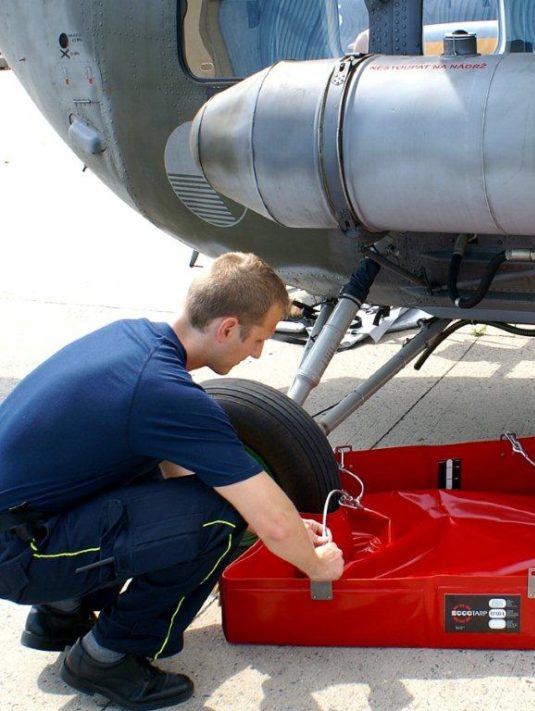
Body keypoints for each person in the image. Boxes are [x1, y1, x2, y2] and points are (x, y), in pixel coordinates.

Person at [0, 252, 344, 710]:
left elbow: (171, 469)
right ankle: (107, 657)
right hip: (20, 553)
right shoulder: (166, 392)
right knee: (217, 520)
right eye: (257, 339)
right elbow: (271, 521)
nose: (257, 354)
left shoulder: (131, 341)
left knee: (160, 480)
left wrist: (286, 528)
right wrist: (317, 566)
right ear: (226, 328)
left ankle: (61, 612)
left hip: (22, 525)